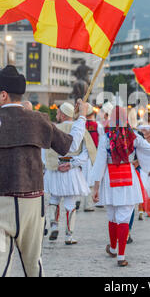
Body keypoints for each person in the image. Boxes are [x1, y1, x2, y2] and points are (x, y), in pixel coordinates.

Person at [0, 65, 88, 277]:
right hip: (32, 203)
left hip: (1, 204)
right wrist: (82, 116)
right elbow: (70, 145)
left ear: (3, 95)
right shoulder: (38, 120)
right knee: (33, 265)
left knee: (1, 265)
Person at [91, 106, 150, 267]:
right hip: (128, 175)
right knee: (124, 217)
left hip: (110, 178)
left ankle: (113, 248)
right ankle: (121, 255)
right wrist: (138, 161)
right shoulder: (133, 136)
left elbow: (100, 163)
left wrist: (96, 187)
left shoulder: (106, 138)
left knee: (112, 215)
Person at [43, 103, 96, 245]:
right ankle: (69, 235)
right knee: (70, 202)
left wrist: (52, 165)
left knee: (54, 198)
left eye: (58, 112)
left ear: (64, 114)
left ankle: (54, 226)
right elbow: (87, 152)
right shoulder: (79, 129)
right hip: (71, 170)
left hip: (55, 169)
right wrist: (73, 163)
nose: (56, 114)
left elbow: (44, 151)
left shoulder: (53, 129)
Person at [81, 103, 104, 212]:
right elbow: (102, 140)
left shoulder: (80, 124)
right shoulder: (97, 125)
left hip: (81, 154)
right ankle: (89, 204)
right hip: (93, 154)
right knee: (91, 179)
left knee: (81, 178)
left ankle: (78, 201)